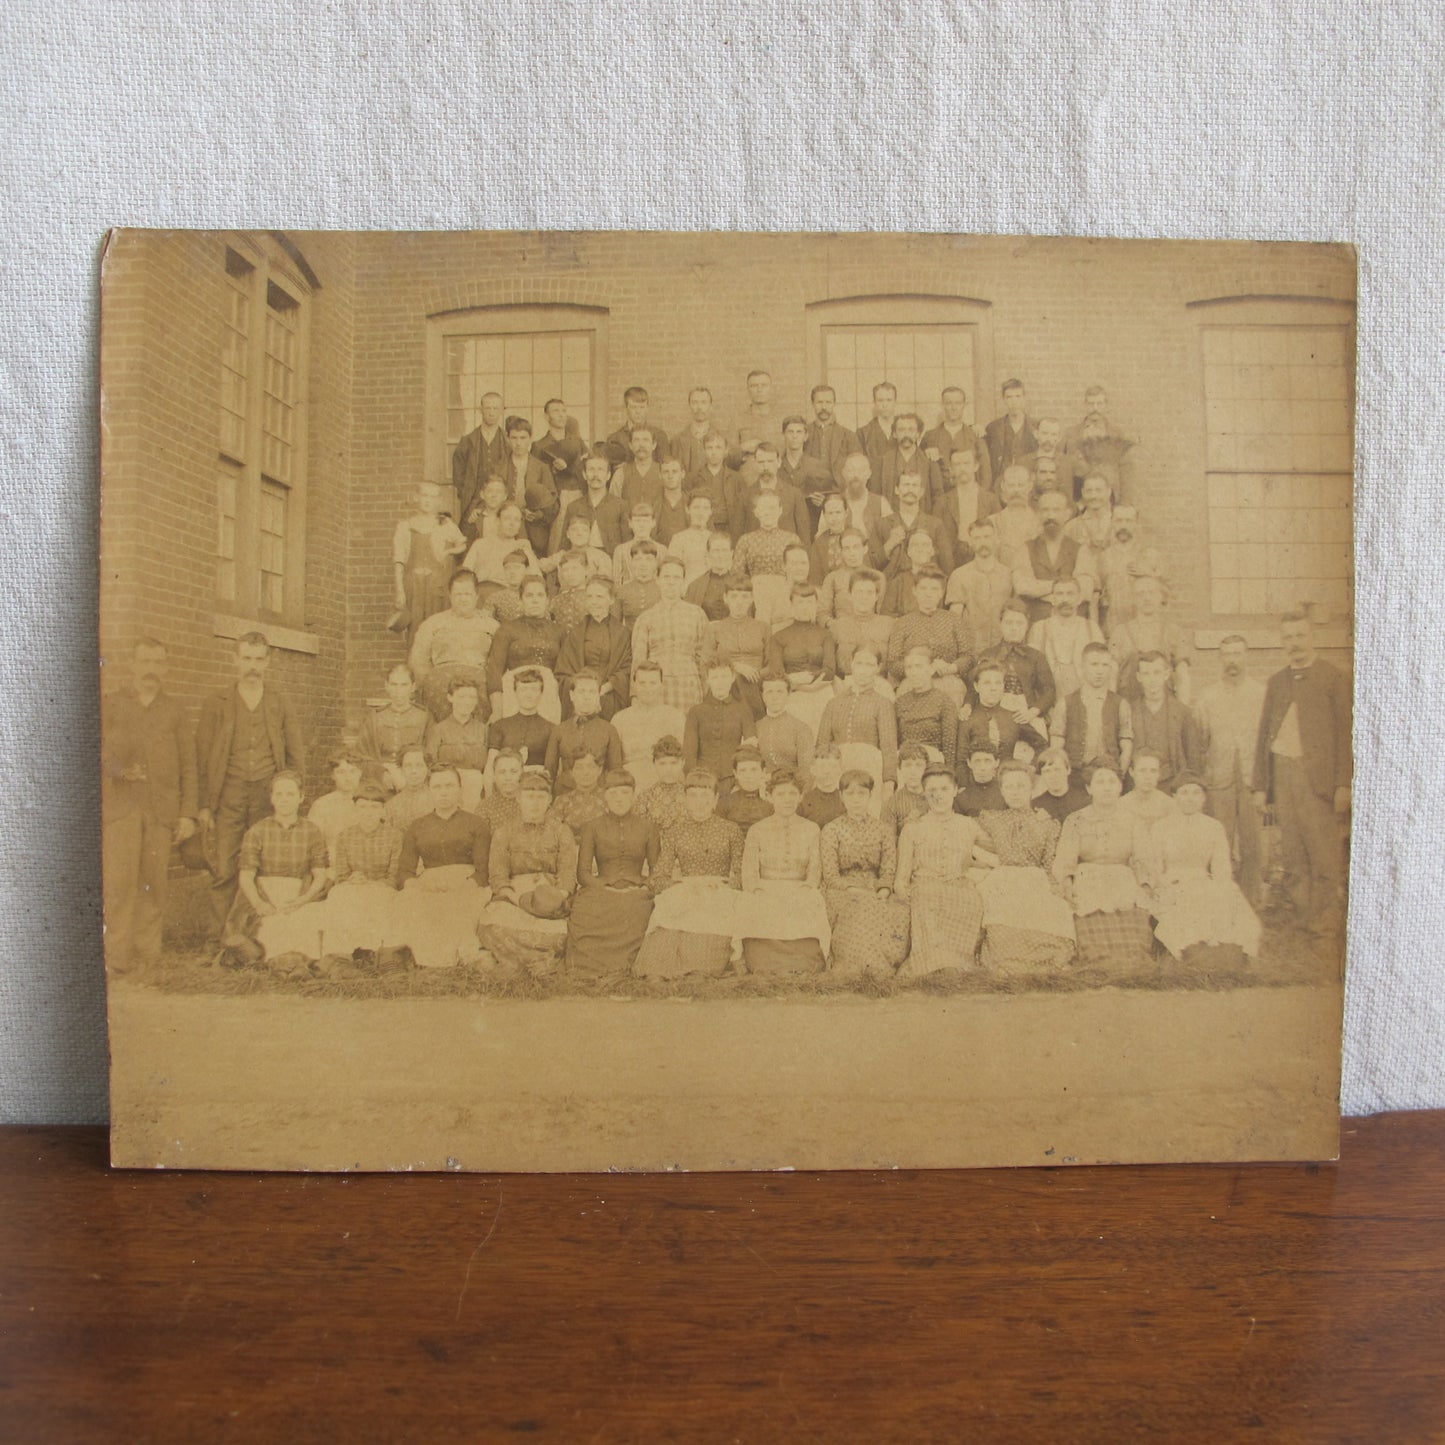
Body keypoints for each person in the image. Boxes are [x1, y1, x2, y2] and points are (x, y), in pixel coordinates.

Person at [196, 631, 305, 937]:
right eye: (246, 658)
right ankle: (221, 936)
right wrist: (205, 805)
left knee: (264, 865)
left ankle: (259, 935)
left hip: (267, 796)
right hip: (229, 794)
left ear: (268, 662)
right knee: (225, 866)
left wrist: (292, 796)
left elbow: (295, 752)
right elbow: (203, 758)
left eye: (259, 659)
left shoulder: (279, 702)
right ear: (235, 660)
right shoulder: (217, 703)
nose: (252, 666)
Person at [101, 637, 198, 973]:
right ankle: (117, 958)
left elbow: (189, 765)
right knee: (120, 883)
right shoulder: (112, 704)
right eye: (145, 662)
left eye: (158, 663)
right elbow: (96, 751)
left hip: (161, 811)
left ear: (166, 668)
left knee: (154, 883)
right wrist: (120, 771)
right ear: (133, 665)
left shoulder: (174, 711)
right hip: (123, 810)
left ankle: (148, 956)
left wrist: (187, 813)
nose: (151, 670)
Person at [1252, 611, 1351, 939]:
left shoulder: (1333, 678)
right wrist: (1261, 786)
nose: (1294, 643)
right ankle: (1301, 916)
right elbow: (1264, 734)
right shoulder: (1277, 681)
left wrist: (1342, 784)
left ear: (1312, 637)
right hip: (1284, 772)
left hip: (1317, 779)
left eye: (1300, 636)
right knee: (1292, 850)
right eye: (1288, 637)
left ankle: (1321, 920)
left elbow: (1345, 737)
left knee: (1321, 850)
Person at [635, 767, 745, 979]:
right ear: (685, 799)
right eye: (693, 795)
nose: (699, 801)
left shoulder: (731, 830)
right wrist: (680, 886)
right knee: (670, 907)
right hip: (686, 888)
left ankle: (701, 967)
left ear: (715, 800)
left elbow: (741, 874)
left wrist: (725, 885)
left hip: (719, 889)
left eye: (705, 796)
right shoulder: (675, 832)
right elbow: (659, 877)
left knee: (714, 909)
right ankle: (659, 968)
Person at [1052, 764, 1159, 973]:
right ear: (1089, 789)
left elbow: (1143, 857)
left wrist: (1145, 885)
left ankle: (1130, 963)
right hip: (1087, 875)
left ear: (1120, 787)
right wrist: (1067, 883)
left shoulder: (1133, 820)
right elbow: (1066, 858)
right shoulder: (1076, 820)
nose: (1107, 788)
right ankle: (1096, 963)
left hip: (1122, 875)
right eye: (1100, 782)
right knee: (1088, 909)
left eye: (1112, 782)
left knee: (1133, 911)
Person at [221, 770, 329, 968]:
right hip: (264, 891)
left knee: (303, 924)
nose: (284, 800)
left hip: (299, 893)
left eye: (290, 794)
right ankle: (270, 960)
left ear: (301, 797)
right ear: (271, 798)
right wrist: (259, 903)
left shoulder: (311, 831)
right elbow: (246, 877)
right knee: (268, 927)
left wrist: (304, 899)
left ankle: (295, 963)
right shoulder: (258, 831)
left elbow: (320, 875)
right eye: (279, 794)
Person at [1151, 773, 1262, 967]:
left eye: (1196, 793)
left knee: (1226, 897)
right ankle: (1192, 954)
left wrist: (1220, 886)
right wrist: (1162, 885)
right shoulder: (1161, 827)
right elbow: (1155, 867)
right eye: (1184, 793)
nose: (1190, 798)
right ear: (1175, 796)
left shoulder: (1213, 827)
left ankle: (1227, 954)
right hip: (1172, 883)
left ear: (1204, 798)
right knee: (1185, 903)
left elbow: (1221, 866)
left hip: (1203, 880)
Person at [976, 761, 1076, 973]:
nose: (1015, 793)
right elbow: (964, 837)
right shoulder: (990, 818)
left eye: (1021, 786)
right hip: (1002, 878)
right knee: (1002, 910)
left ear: (1032, 789)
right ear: (1002, 791)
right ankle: (1009, 963)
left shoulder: (1047, 823)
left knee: (1051, 908)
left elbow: (1049, 863)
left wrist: (1055, 887)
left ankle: (1045, 963)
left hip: (1035, 878)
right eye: (1009, 787)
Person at [895, 766, 996, 976]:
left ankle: (959, 965)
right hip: (925, 885)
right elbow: (902, 877)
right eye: (932, 790)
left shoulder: (968, 825)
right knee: (928, 899)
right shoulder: (913, 828)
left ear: (955, 790)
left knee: (970, 900)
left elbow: (996, 850)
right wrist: (903, 890)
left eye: (944, 789)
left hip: (959, 883)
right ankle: (932, 967)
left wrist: (974, 870)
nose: (938, 795)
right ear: (924, 793)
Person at [477, 771, 579, 976]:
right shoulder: (504, 832)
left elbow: (568, 873)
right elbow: (498, 874)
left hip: (550, 894)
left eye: (541, 797)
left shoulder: (561, 831)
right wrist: (515, 897)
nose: (535, 803)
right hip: (514, 894)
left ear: (549, 800)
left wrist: (557, 897)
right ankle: (540, 961)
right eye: (529, 797)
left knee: (563, 934)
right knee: (490, 926)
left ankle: (515, 961)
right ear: (519, 799)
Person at [392, 766, 492, 969]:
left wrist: (467, 885)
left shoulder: (476, 823)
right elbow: (405, 870)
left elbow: (483, 870)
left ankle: (459, 957)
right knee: (408, 901)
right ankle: (425, 960)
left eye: (449, 786)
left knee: (460, 904)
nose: (444, 792)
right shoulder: (417, 826)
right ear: (430, 790)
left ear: (460, 789)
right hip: (428, 884)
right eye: (437, 786)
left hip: (466, 882)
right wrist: (415, 886)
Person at [564, 771, 660, 980]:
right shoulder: (592, 827)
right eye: (613, 793)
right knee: (586, 909)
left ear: (634, 795)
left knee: (636, 908)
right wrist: (602, 886)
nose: (619, 798)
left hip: (636, 890)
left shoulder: (648, 827)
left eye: (625, 793)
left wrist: (644, 886)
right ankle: (589, 970)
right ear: (605, 796)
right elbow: (583, 873)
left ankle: (624, 969)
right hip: (601, 889)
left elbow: (656, 871)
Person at [1194, 633, 1266, 906]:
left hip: (1250, 781)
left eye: (1237, 654)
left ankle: (1251, 903)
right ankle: (1221, 901)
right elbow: (1199, 743)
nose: (1232, 660)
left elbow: (1266, 741)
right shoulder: (1207, 697)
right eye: (1227, 655)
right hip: (1218, 781)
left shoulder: (1260, 695)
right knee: (1219, 844)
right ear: (1219, 659)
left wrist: (1263, 786)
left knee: (1252, 845)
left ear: (1246, 656)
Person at [817, 770, 911, 978]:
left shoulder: (883, 829)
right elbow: (831, 874)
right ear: (841, 797)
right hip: (842, 889)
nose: (856, 800)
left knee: (897, 909)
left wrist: (885, 889)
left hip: (876, 887)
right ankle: (856, 966)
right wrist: (853, 890)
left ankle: (882, 966)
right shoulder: (832, 830)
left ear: (870, 795)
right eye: (850, 794)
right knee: (861, 907)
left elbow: (888, 868)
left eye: (861, 793)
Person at [737, 768, 831, 975]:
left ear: (800, 797)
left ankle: (803, 963)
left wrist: (808, 886)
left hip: (800, 888)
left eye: (792, 794)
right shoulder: (757, 830)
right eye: (780, 794)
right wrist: (756, 889)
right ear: (770, 796)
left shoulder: (812, 829)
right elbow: (749, 870)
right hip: (765, 888)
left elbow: (816, 866)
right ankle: (766, 962)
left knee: (810, 901)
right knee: (758, 905)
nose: (787, 799)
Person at [314, 781, 406, 960]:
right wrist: (351, 878)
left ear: (382, 810)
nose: (368, 812)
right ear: (355, 809)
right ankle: (340, 956)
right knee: (338, 895)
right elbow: (341, 876)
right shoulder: (345, 836)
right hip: (353, 887)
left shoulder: (395, 836)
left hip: (382, 888)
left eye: (374, 807)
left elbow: (394, 876)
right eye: (363, 806)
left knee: (377, 898)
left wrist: (373, 883)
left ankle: (376, 953)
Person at [410, 568, 502, 719]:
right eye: (458, 594)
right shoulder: (433, 623)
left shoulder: (491, 626)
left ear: (476, 597)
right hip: (440, 688)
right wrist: (429, 682)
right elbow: (418, 660)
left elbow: (499, 664)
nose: (463, 599)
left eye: (467, 594)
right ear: (450, 596)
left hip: (478, 687)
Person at [816, 645, 899, 807]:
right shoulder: (834, 703)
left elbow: (889, 748)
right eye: (859, 663)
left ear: (877, 668)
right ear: (851, 664)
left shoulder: (883, 704)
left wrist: (888, 785)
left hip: (869, 767)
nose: (863, 670)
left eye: (869, 665)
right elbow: (822, 744)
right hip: (837, 768)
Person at [886, 568, 972, 711]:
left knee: (954, 696)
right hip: (913, 682)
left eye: (934, 589)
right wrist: (919, 669)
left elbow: (968, 657)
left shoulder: (954, 620)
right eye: (923, 588)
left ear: (941, 593)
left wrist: (950, 668)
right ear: (914, 591)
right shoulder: (902, 623)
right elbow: (893, 663)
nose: (928, 593)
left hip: (948, 681)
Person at [630, 556, 708, 711]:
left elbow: (704, 657)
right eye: (666, 577)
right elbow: (638, 661)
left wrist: (706, 691)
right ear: (657, 579)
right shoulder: (646, 617)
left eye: (676, 577)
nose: (671, 582)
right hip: (656, 688)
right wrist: (635, 696)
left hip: (689, 686)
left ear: (683, 581)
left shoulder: (696, 614)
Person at [392, 481, 467, 641]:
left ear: (438, 501)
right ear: (416, 497)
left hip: (438, 585)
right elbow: (399, 560)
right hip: (414, 586)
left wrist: (449, 551)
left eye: (432, 497)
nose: (427, 500)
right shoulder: (405, 526)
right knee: (415, 631)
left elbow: (462, 544)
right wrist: (399, 590)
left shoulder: (445, 524)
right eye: (424, 495)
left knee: (438, 629)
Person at [486, 575, 565, 722]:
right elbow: (494, 671)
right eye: (529, 595)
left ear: (547, 599)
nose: (535, 600)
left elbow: (565, 672)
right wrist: (497, 710)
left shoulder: (559, 631)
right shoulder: (507, 629)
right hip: (515, 691)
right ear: (521, 600)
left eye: (540, 595)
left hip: (549, 693)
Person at [1050, 641, 1133, 776]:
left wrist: (1118, 776)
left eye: (1105, 665)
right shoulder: (1065, 703)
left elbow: (1126, 747)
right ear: (1082, 667)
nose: (1099, 671)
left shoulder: (1120, 704)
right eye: (1094, 664)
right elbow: (1056, 748)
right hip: (1074, 777)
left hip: (1109, 776)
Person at [1014, 490, 1096, 625]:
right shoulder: (1025, 549)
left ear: (1067, 514)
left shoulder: (1081, 550)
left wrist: (1042, 591)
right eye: (1045, 510)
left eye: (1056, 510)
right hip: (1035, 623)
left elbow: (1086, 588)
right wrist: (1061, 589)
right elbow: (1022, 585)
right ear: (1038, 514)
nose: (1050, 515)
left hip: (1072, 625)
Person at [1109, 574, 1192, 703]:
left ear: (1160, 597)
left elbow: (1183, 675)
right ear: (1133, 599)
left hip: (1163, 707)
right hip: (1128, 704)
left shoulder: (1173, 631)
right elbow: (1112, 674)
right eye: (1140, 594)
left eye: (1151, 593)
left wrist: (1182, 712)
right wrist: (1112, 709)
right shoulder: (1120, 632)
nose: (1146, 598)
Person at [556, 577, 631, 720]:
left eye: (600, 596)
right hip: (580, 697)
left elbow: (627, 668)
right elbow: (564, 671)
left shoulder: (622, 633)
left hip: (609, 695)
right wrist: (583, 692)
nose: (594, 602)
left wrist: (607, 687)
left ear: (611, 600)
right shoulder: (575, 633)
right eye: (589, 597)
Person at [767, 585, 835, 735]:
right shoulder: (778, 637)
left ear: (816, 605)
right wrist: (792, 682)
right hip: (791, 692)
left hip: (820, 689)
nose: (805, 608)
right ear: (791, 606)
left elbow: (830, 670)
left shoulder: (825, 635)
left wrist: (806, 683)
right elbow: (776, 673)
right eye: (800, 603)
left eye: (809, 603)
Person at [736, 486, 806, 629]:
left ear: (780, 511)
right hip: (755, 595)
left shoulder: (792, 539)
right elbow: (737, 575)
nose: (768, 512)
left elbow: (801, 573)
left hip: (785, 595)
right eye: (763, 508)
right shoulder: (746, 540)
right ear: (756, 512)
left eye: (772, 508)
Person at [702, 571, 771, 716]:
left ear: (752, 599)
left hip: (756, 691)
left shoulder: (763, 628)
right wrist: (735, 667)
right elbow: (706, 664)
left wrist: (754, 674)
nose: (739, 602)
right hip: (725, 691)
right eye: (734, 596)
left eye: (744, 597)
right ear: (725, 598)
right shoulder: (715, 628)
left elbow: (772, 665)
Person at [1131, 651, 1202, 792]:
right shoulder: (1129, 711)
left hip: (1172, 785)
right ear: (1139, 677)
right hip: (1138, 788)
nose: (1152, 679)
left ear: (1166, 674)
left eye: (1157, 673)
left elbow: (1193, 758)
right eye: (1146, 673)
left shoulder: (1182, 712)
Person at [977, 599, 1057, 722]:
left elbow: (1049, 691)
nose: (1014, 628)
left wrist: (1033, 711)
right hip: (993, 713)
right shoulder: (988, 654)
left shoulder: (1036, 657)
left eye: (1019, 623)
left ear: (1027, 626)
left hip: (1027, 712)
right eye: (1009, 623)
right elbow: (974, 688)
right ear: (1000, 624)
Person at [612, 663, 686, 794]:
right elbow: (614, 766)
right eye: (642, 683)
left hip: (666, 790)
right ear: (634, 685)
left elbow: (682, 763)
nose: (647, 689)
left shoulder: (676, 717)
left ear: (661, 685)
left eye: (653, 683)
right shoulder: (620, 719)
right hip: (630, 790)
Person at [356, 663, 431, 792]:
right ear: (387, 686)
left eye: (404, 685)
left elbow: (431, 754)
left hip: (415, 777)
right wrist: (381, 772)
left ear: (413, 687)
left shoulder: (424, 717)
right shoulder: (375, 717)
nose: (398, 691)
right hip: (379, 780)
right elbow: (360, 755)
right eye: (394, 685)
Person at [546, 671, 623, 790]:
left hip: (599, 796)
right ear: (572, 695)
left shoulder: (609, 730)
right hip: (564, 794)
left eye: (592, 692)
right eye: (581, 691)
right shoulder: (559, 730)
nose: (586, 697)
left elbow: (615, 773)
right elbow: (549, 773)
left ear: (598, 695)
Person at [1027, 577, 1101, 699]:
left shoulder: (1091, 628)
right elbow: (1031, 672)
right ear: (1052, 599)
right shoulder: (1039, 628)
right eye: (1060, 594)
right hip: (1050, 702)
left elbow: (1102, 669)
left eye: (1070, 594)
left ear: (1079, 598)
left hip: (1085, 700)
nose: (1065, 599)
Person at [871, 469, 955, 577]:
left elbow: (947, 566)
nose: (910, 489)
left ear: (921, 492)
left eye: (914, 485)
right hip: (891, 588)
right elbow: (872, 565)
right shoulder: (881, 524)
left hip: (926, 587)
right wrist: (890, 544)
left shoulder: (935, 525)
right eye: (906, 485)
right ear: (897, 490)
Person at [684, 661, 758, 784]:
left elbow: (750, 748)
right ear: (708, 680)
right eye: (715, 677)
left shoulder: (743, 709)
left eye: (724, 676)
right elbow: (689, 753)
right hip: (703, 780)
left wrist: (740, 780)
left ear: (732, 678)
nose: (720, 682)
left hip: (733, 780)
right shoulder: (696, 712)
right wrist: (695, 781)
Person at [961, 659, 1047, 763]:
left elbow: (1042, 745)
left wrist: (1031, 768)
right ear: (976, 686)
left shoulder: (1013, 717)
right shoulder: (968, 718)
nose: (993, 688)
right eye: (987, 683)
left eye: (998, 683)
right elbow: (961, 761)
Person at [424, 678, 489, 812]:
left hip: (476, 787)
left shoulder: (483, 729)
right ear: (450, 698)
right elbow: (430, 762)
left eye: (471, 697)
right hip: (447, 785)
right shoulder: (439, 729)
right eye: (461, 696)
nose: (467, 702)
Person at [499, 414, 559, 557]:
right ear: (508, 439)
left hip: (535, 532)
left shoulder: (541, 467)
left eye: (523, 438)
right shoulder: (499, 468)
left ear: (530, 439)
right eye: (514, 438)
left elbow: (553, 502)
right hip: (505, 530)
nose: (518, 443)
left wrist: (540, 515)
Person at [893, 645, 960, 773]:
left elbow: (950, 747)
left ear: (930, 668)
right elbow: (895, 742)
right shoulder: (900, 702)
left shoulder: (944, 702)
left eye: (919, 666)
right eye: (909, 667)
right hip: (906, 765)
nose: (914, 672)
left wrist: (946, 775)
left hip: (933, 766)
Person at [554, 449, 630, 558]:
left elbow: (626, 546)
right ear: (584, 475)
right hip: (581, 561)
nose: (595, 475)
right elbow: (564, 546)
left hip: (611, 562)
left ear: (608, 475)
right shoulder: (574, 507)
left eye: (600, 470)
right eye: (591, 470)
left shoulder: (621, 506)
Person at [451, 392, 507, 537]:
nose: (491, 413)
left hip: (500, 501)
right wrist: (466, 494)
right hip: (473, 501)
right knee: (469, 537)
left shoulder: (507, 443)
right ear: (480, 410)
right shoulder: (468, 441)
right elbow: (458, 474)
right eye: (488, 408)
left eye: (496, 408)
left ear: (501, 410)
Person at [483, 666, 556, 777]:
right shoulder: (500, 726)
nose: (528, 695)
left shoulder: (551, 729)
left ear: (541, 693)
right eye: (523, 690)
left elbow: (550, 770)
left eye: (534, 690)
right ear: (515, 692)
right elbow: (490, 767)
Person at [829, 569, 894, 685]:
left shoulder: (889, 624)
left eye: (869, 592)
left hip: (879, 684)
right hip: (847, 684)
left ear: (877, 596)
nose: (864, 597)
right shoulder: (837, 626)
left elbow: (894, 664)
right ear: (850, 595)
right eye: (859, 591)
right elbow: (831, 667)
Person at [936, 445, 1000, 561]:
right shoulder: (942, 502)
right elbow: (937, 538)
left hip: (984, 557)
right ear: (951, 469)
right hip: (953, 560)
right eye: (957, 464)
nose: (962, 468)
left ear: (976, 466)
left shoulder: (991, 500)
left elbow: (998, 535)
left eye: (966, 463)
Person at [924, 385, 992, 490]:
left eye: (958, 403)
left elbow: (985, 474)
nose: (953, 408)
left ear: (964, 405)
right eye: (948, 403)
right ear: (942, 405)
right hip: (939, 498)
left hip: (968, 496)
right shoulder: (930, 437)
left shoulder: (975, 436)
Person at [877, 411, 945, 514]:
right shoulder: (883, 461)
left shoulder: (929, 461)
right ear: (894, 434)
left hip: (923, 522)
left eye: (911, 430)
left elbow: (938, 497)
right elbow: (876, 497)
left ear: (918, 434)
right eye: (901, 430)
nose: (906, 434)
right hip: (891, 522)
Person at [778, 414, 835, 534]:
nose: (794, 436)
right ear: (783, 435)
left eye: (799, 432)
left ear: (805, 436)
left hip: (810, 525)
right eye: (790, 432)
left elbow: (831, 497)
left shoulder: (817, 466)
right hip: (783, 526)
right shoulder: (776, 466)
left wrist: (823, 501)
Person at [754, 673, 814, 784]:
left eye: (779, 692)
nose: (774, 697)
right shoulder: (756, 728)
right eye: (769, 692)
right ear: (762, 696)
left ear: (788, 695)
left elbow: (806, 772)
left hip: (792, 792)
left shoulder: (801, 728)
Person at [531, 397, 590, 503]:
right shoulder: (539, 446)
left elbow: (588, 465)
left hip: (579, 495)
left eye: (563, 411)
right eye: (555, 411)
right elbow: (536, 478)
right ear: (546, 417)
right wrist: (553, 469)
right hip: (555, 499)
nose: (561, 415)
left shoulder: (577, 442)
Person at [687, 430, 743, 540]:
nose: (714, 452)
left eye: (718, 448)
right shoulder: (694, 478)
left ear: (725, 450)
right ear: (703, 450)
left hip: (729, 528)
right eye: (709, 448)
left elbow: (741, 510)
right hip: (703, 528)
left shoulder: (736, 479)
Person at [308, 754, 364, 862]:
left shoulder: (371, 804)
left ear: (360, 773)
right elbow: (313, 846)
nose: (348, 778)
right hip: (332, 866)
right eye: (341, 772)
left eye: (353, 771)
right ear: (333, 775)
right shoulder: (321, 805)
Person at [805, 384, 860, 488]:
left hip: (839, 491)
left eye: (828, 402)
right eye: (819, 402)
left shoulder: (848, 436)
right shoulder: (803, 433)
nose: (824, 407)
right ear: (812, 404)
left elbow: (858, 468)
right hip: (809, 491)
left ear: (834, 404)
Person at [604, 385, 671, 469]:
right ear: (626, 408)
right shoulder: (614, 439)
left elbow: (666, 467)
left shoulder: (659, 436)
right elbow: (609, 472)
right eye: (633, 407)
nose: (638, 412)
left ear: (647, 408)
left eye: (642, 407)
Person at [881, 529, 944, 618]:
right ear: (908, 552)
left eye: (925, 545)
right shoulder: (898, 582)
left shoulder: (942, 581)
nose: (920, 549)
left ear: (932, 551)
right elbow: (886, 615)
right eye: (915, 545)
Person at [984, 378, 1038, 481]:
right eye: (1009, 397)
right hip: (1002, 482)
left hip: (1028, 483)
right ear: (1003, 399)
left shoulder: (1035, 426)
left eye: (1018, 396)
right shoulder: (993, 428)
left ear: (1024, 398)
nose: (1014, 402)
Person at [548, 749, 609, 835]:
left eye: (590, 767)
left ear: (599, 770)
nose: (585, 772)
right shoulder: (562, 801)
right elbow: (552, 832)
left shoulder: (609, 798)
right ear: (571, 772)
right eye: (579, 767)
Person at [610, 425, 666, 518]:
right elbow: (613, 507)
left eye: (645, 440)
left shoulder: (663, 472)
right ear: (630, 445)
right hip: (627, 530)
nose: (641, 445)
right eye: (636, 440)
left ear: (654, 445)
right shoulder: (621, 474)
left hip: (658, 530)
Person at [1118, 750, 1180, 832]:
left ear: (1159, 773)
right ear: (1132, 772)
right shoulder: (1121, 805)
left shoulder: (1170, 805)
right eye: (1142, 770)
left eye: (1153, 771)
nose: (1148, 776)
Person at [637, 736, 688, 834]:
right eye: (662, 764)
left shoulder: (691, 795)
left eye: (673, 763)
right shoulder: (645, 798)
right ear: (654, 764)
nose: (668, 769)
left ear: (682, 763)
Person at [992, 465, 1042, 564]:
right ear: (1003, 486)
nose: (1016, 490)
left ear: (1029, 486)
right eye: (1011, 485)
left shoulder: (1040, 522)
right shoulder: (993, 522)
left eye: (1020, 485)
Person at [717, 747, 773, 834]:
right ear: (735, 773)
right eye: (743, 770)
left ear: (763, 771)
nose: (749, 775)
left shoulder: (773, 802)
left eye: (754, 770)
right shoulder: (725, 803)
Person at [685, 530, 736, 621]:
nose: (720, 556)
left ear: (731, 553)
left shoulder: (740, 583)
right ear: (708, 554)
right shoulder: (695, 586)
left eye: (724, 550)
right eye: (716, 551)